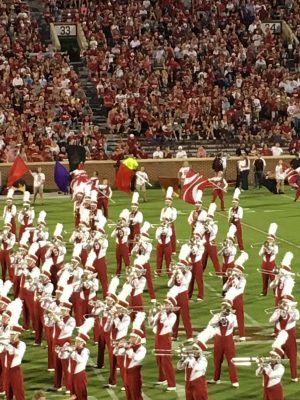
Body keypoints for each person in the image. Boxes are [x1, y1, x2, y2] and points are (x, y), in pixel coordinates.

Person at [150, 296, 177, 391]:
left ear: (172, 306)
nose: (165, 305)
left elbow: (167, 324)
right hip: (158, 337)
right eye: (165, 303)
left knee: (166, 361)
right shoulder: (160, 313)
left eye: (168, 304)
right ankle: (162, 378)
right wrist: (151, 315)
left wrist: (163, 313)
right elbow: (151, 324)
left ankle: (172, 384)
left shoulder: (173, 315)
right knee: (159, 359)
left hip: (165, 338)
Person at [259, 224, 278, 296]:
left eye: (270, 239)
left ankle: (275, 292)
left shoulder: (275, 246)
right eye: (268, 239)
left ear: (273, 240)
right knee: (264, 278)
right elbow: (260, 254)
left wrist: (268, 248)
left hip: (271, 264)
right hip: (264, 263)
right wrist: (264, 249)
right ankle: (264, 292)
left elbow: (274, 252)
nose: (269, 240)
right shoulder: (264, 245)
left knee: (273, 278)